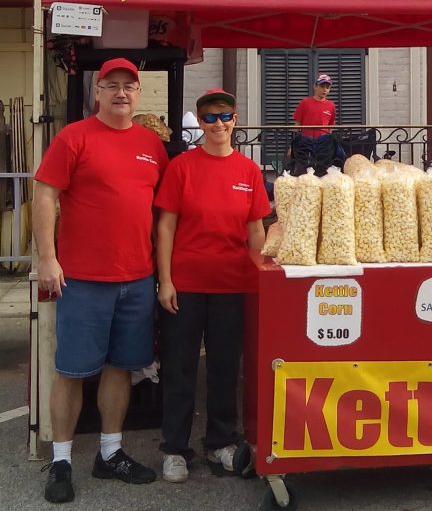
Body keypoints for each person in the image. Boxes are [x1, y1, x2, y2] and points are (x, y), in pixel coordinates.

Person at [32, 58, 169, 504]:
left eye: (128, 86)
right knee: (71, 370)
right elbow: (45, 194)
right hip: (83, 280)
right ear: (96, 93)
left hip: (137, 277)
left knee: (121, 367)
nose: (120, 93)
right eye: (111, 86)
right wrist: (48, 258)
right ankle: (62, 460)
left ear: (138, 93)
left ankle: (110, 453)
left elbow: (163, 212)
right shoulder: (73, 137)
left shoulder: (152, 144)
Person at [154, 88, 270, 483]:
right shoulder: (182, 167)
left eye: (225, 116)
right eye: (209, 117)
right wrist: (165, 280)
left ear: (235, 120)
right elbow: (165, 225)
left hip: (232, 285)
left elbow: (256, 228)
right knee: (179, 368)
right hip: (185, 284)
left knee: (224, 367)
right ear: (199, 123)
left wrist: (262, 279)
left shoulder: (248, 171)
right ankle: (174, 449)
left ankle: (221, 442)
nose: (218, 124)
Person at [290, 74, 341, 176]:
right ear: (315, 87)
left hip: (323, 144)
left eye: (327, 87)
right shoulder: (305, 103)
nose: (325, 90)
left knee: (323, 171)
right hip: (306, 143)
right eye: (322, 86)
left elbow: (330, 126)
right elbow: (297, 125)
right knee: (304, 170)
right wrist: (291, 146)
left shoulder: (331, 105)